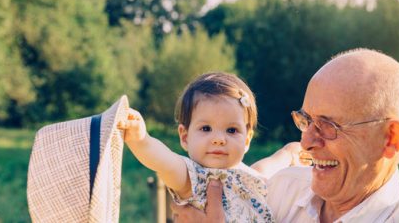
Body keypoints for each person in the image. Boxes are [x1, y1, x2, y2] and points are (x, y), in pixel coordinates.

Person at [171, 48, 399, 222]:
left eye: (329, 126)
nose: (306, 142)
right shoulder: (282, 188)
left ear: (390, 138)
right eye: (306, 120)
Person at [119, 72, 301, 222]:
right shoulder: (193, 178)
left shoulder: (252, 177)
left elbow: (270, 165)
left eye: (231, 130)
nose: (219, 139)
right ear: (185, 136)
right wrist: (141, 139)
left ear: (246, 140)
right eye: (206, 128)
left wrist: (289, 152)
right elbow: (163, 161)